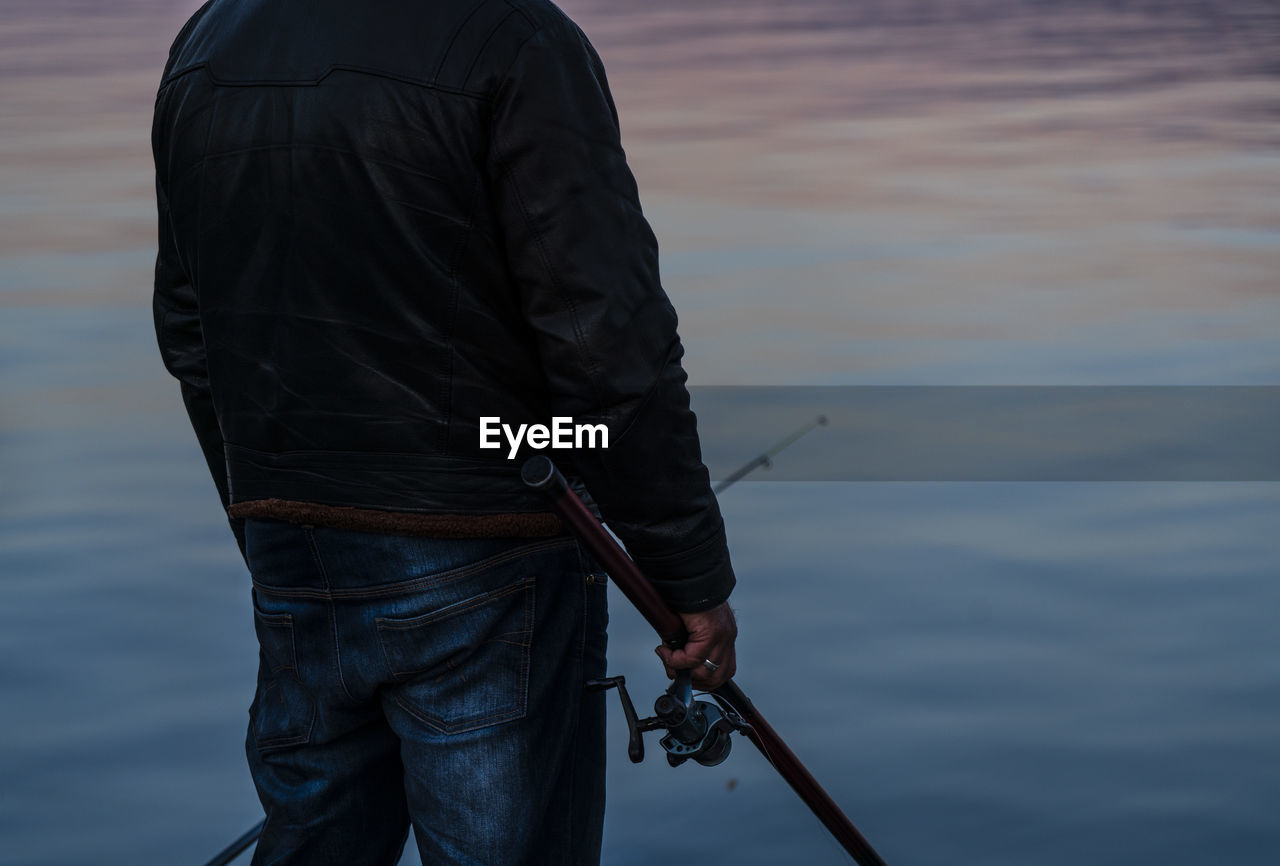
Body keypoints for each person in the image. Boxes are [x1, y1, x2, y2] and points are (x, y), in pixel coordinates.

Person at [152, 1, 738, 864]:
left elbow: (188, 327)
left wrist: (268, 512)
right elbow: (607, 346)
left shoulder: (207, 43)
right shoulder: (520, 38)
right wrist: (686, 573)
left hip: (295, 555)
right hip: (487, 555)